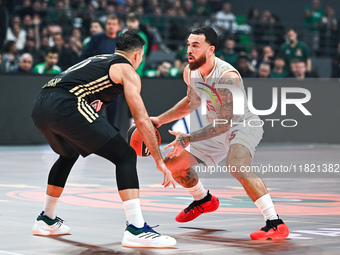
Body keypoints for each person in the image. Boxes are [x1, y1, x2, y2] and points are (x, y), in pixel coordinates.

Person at [30, 31, 176, 248]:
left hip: (41, 104)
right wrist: (160, 160)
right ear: (137, 55)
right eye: (142, 56)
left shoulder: (98, 60)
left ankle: (46, 219)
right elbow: (142, 120)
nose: (142, 60)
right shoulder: (128, 71)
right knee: (125, 155)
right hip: (66, 104)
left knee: (68, 153)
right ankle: (136, 228)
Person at [151, 27, 289, 240]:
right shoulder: (190, 71)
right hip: (214, 126)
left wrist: (188, 138)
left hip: (241, 126)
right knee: (173, 164)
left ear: (211, 49)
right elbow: (192, 101)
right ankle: (203, 199)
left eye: (196, 45)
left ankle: (275, 222)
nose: (189, 49)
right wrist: (159, 120)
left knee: (236, 165)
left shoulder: (228, 76)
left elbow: (225, 124)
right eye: (188, 44)